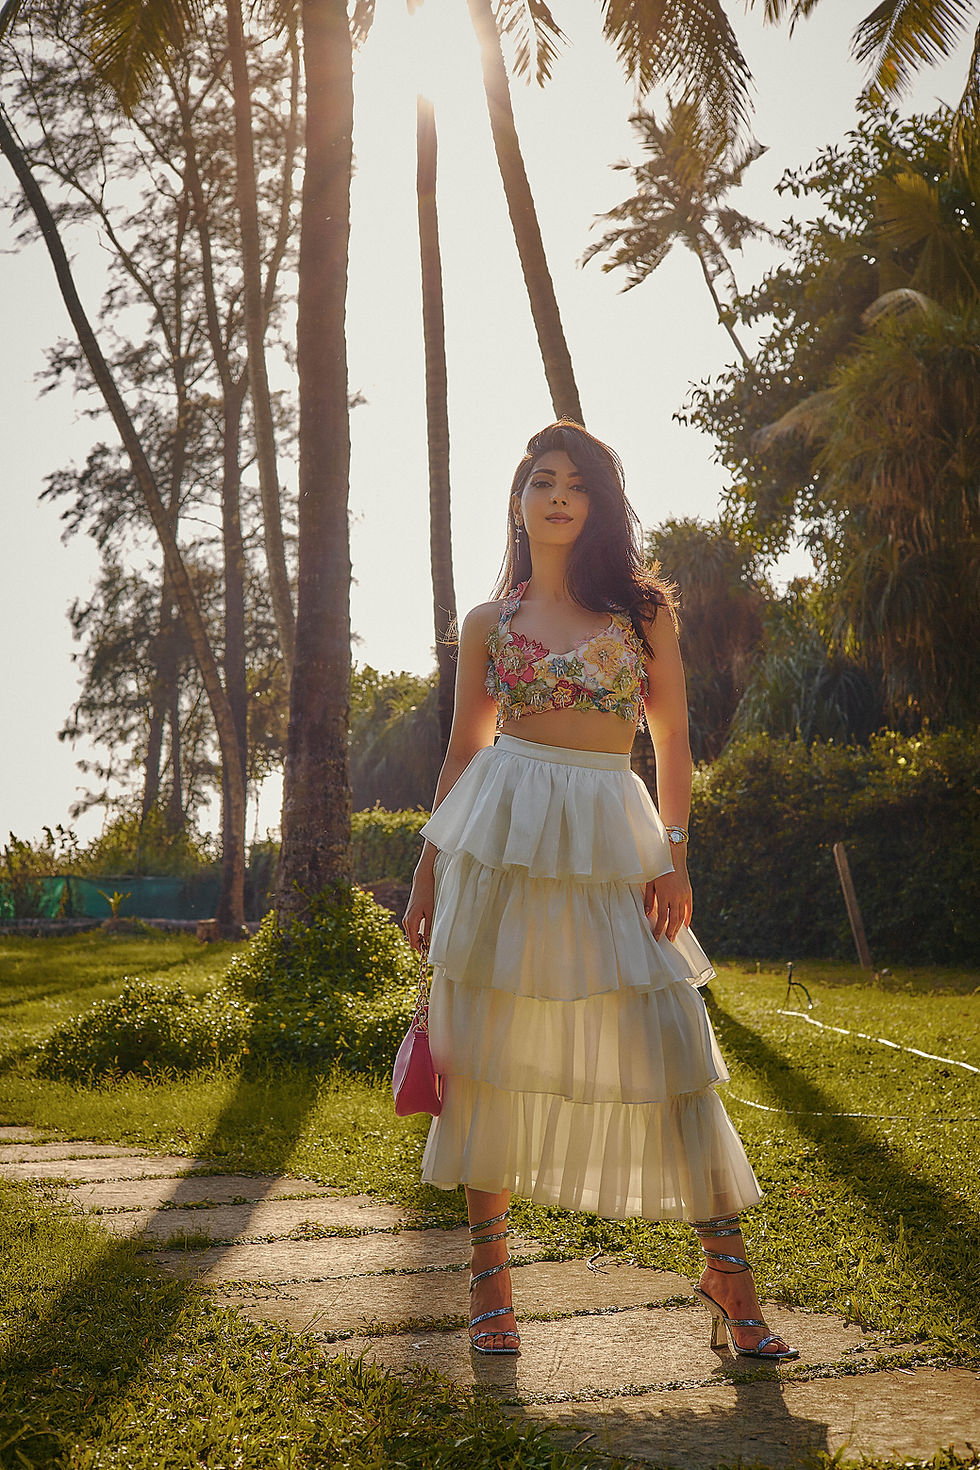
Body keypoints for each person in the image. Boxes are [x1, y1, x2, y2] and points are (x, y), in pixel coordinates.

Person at [403, 421, 798, 1362]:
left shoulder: (641, 612)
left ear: (599, 503)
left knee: (670, 1041)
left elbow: (673, 740)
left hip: (614, 833)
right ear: (519, 500)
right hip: (499, 837)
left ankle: (728, 1274)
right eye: (543, 480)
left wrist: (676, 852)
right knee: (485, 1048)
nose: (559, 496)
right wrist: (426, 868)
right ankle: (490, 1284)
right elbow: (463, 750)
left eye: (577, 483)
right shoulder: (488, 623)